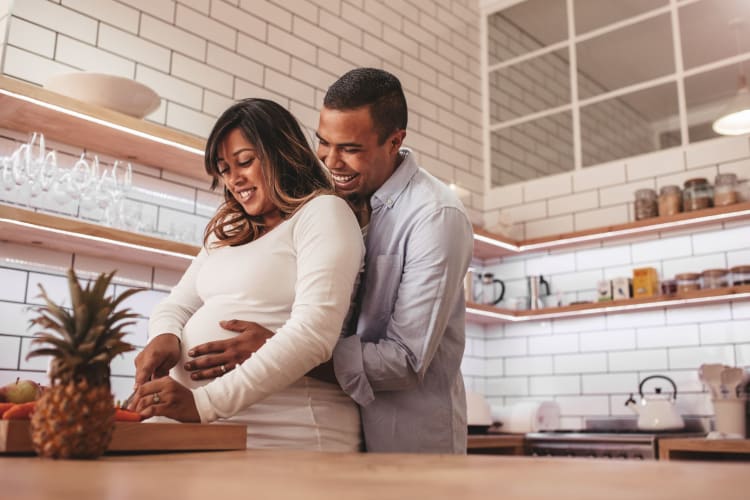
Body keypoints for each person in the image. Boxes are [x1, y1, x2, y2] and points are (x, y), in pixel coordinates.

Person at [184, 68, 474, 454]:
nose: (331, 161)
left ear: (394, 141)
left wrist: (276, 348)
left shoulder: (435, 217)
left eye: (350, 149)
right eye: (324, 143)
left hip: (404, 440)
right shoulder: (339, 198)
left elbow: (404, 361)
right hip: (344, 428)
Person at [129, 98, 365, 451]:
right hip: (202, 433)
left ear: (282, 153)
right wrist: (165, 335)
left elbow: (313, 335)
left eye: (244, 162)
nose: (234, 179)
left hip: (285, 435)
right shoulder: (228, 227)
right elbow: (176, 305)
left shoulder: (322, 213)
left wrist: (203, 403)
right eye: (224, 169)